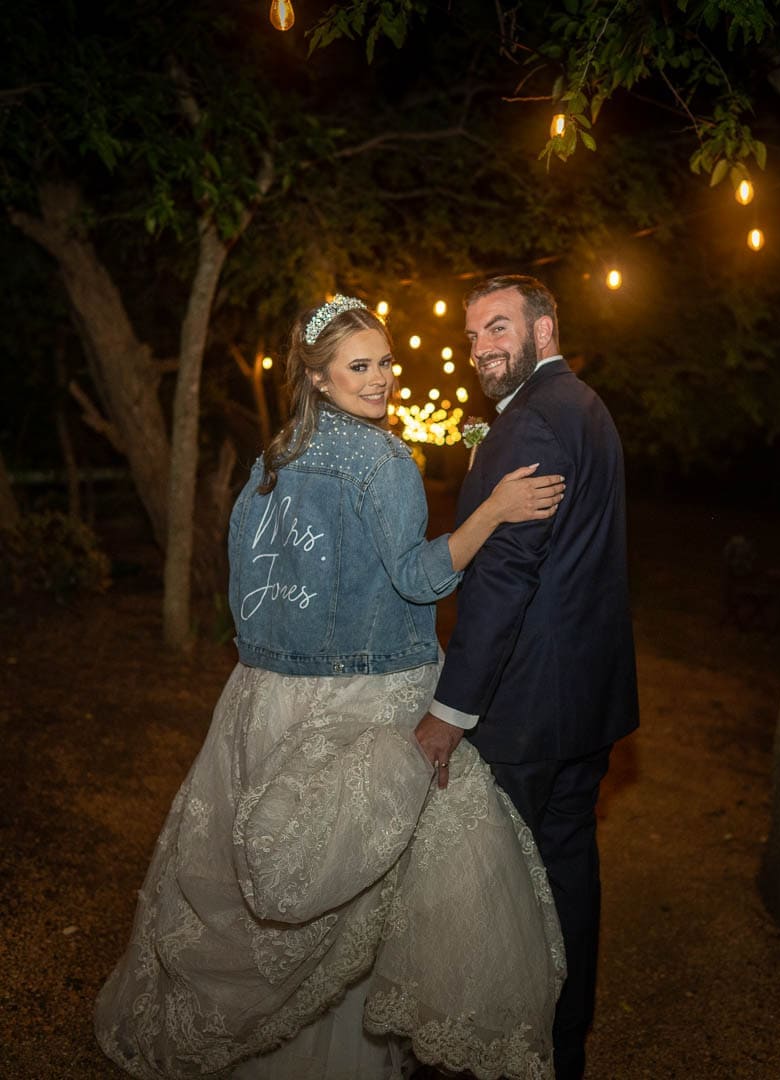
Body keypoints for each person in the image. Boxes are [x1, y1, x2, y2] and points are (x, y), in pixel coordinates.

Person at [94, 295, 568, 1080]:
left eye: (385, 363)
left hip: (268, 695)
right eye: (360, 366)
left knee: (278, 867)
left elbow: (248, 583)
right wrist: (494, 510)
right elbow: (418, 580)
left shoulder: (274, 457)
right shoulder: (384, 460)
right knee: (358, 883)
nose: (381, 379)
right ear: (316, 377)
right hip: (368, 694)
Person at [414, 275, 640, 1079]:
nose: (481, 347)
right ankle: (561, 1044)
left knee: (493, 887)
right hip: (585, 701)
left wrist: (451, 711)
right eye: (474, 334)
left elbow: (505, 578)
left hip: (527, 708)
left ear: (543, 330)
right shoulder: (587, 407)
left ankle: (494, 1048)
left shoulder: (532, 421)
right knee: (566, 868)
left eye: (499, 327)